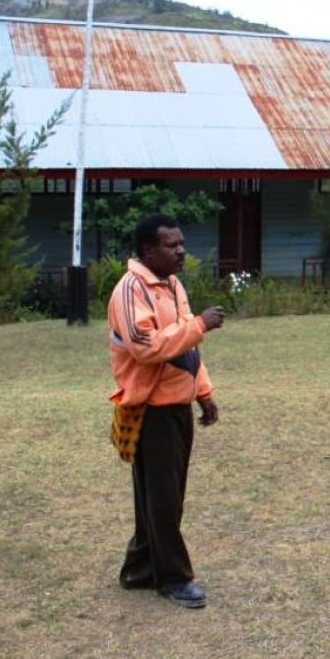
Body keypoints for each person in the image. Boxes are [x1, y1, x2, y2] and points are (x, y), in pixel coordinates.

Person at [107, 214, 226, 608]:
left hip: (177, 406)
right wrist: (200, 325)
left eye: (181, 243)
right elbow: (148, 347)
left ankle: (139, 569)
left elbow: (187, 349)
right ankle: (173, 578)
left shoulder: (172, 286)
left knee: (164, 496)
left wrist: (203, 392)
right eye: (171, 245)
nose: (181, 251)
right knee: (162, 498)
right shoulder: (131, 290)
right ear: (148, 250)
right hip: (152, 410)